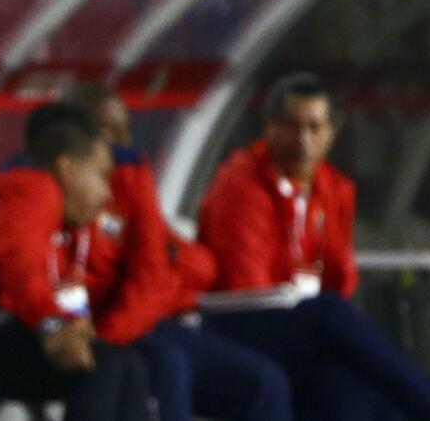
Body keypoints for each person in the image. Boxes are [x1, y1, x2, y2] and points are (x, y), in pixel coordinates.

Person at [199, 72, 430, 421]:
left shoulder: (333, 187)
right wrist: (308, 296)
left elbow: (340, 273)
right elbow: (249, 284)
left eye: (315, 127)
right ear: (270, 128)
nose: (304, 139)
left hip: (304, 325)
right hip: (243, 323)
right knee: (330, 313)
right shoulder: (241, 184)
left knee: (350, 390)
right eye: (293, 126)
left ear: (332, 131)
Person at [64, 83, 292, 421]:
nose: (121, 140)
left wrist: (113, 331)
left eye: (124, 128)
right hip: (102, 328)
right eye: (107, 129)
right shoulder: (48, 189)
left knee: (265, 382)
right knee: (170, 366)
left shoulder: (131, 177)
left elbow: (160, 268)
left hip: (137, 322)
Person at [0, 103, 151, 421]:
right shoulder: (31, 187)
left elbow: (53, 282)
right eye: (101, 176)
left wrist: (69, 322)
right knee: (106, 364)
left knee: (125, 363)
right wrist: (52, 326)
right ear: (67, 167)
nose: (106, 194)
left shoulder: (58, 217)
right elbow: (16, 264)